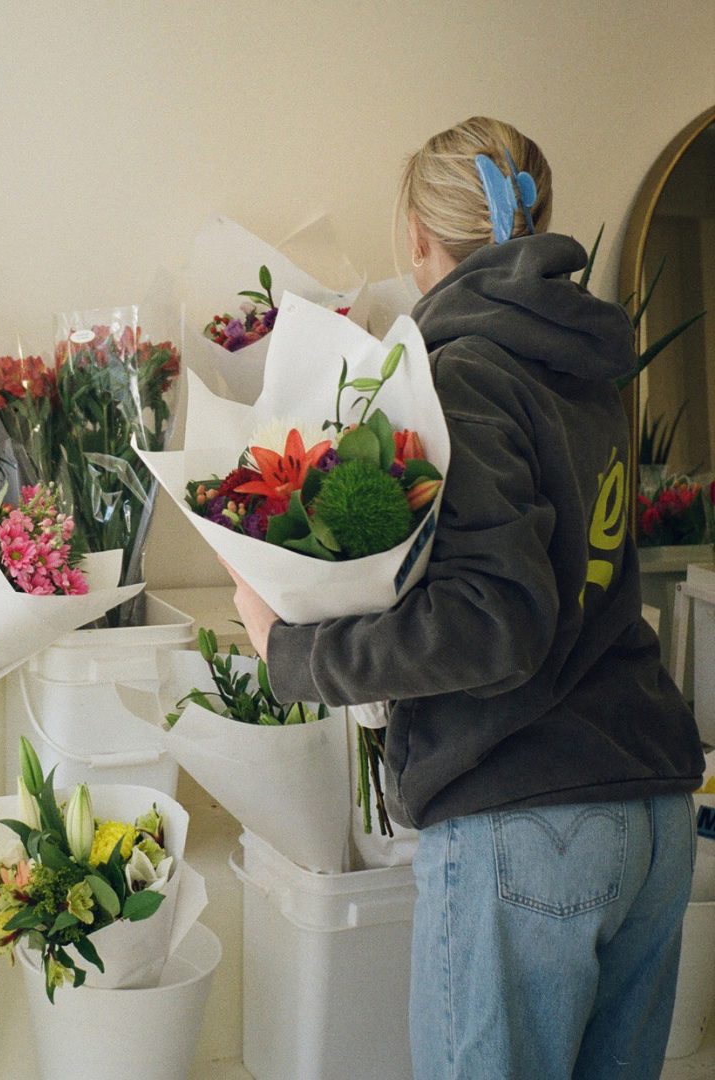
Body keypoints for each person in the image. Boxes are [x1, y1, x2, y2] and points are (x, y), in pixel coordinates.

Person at [221, 116, 706, 1079]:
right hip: (649, 810)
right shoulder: (587, 370)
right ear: (538, 219)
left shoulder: (467, 372)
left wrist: (291, 650)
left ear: (415, 237)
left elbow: (493, 623)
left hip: (529, 824)